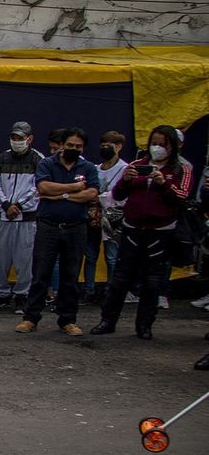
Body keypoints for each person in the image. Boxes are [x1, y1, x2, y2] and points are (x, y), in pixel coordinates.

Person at [91, 126, 193, 339]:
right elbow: (118, 194)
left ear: (172, 146)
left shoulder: (180, 169)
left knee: (152, 281)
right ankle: (108, 320)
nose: (157, 148)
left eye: (163, 144)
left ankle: (144, 325)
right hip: (132, 228)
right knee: (120, 278)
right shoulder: (138, 165)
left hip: (160, 231)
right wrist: (127, 179)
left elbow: (182, 197)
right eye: (154, 143)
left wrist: (163, 183)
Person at [15, 127, 101, 336]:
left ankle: (67, 319)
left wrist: (60, 194)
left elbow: (92, 193)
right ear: (62, 145)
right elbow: (43, 189)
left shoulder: (88, 167)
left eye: (78, 146)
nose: (73, 149)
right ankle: (31, 318)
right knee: (40, 273)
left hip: (76, 228)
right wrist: (73, 189)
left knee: (70, 275)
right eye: (70, 145)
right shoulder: (47, 163)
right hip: (48, 227)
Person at [0, 122, 44, 313]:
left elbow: (38, 188)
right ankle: (1, 294)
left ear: (30, 138)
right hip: (3, 216)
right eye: (14, 137)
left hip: (26, 217)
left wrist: (18, 206)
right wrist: (5, 205)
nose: (17, 141)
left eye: (20, 138)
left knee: (24, 258)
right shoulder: (2, 158)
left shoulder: (38, 159)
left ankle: (22, 295)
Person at [86, 130, 129, 304]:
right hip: (94, 216)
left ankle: (111, 290)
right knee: (90, 255)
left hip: (113, 217)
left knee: (111, 256)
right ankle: (89, 290)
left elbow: (123, 195)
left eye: (108, 146)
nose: (104, 149)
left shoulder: (125, 169)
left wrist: (101, 197)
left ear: (118, 147)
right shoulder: (95, 169)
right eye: (102, 146)